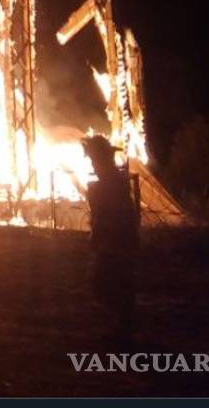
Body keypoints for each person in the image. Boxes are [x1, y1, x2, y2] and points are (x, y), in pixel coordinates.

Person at [82, 134, 139, 339]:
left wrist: (100, 236)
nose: (92, 164)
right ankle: (122, 328)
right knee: (112, 284)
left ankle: (123, 332)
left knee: (109, 283)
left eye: (93, 159)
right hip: (117, 240)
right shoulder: (111, 180)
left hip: (116, 241)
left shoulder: (111, 182)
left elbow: (111, 213)